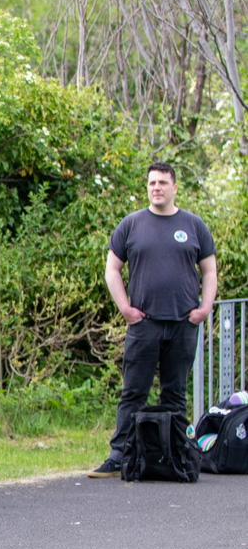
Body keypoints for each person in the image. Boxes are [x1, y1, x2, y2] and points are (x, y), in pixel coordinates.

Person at [89, 162, 217, 478]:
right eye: (151, 183)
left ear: (174, 187)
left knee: (175, 394)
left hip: (183, 323)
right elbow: (112, 270)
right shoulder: (131, 225)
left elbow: (210, 270)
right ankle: (119, 456)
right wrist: (125, 308)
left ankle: (175, 456)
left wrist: (205, 308)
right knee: (134, 392)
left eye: (162, 182)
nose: (156, 187)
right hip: (143, 324)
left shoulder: (194, 225)